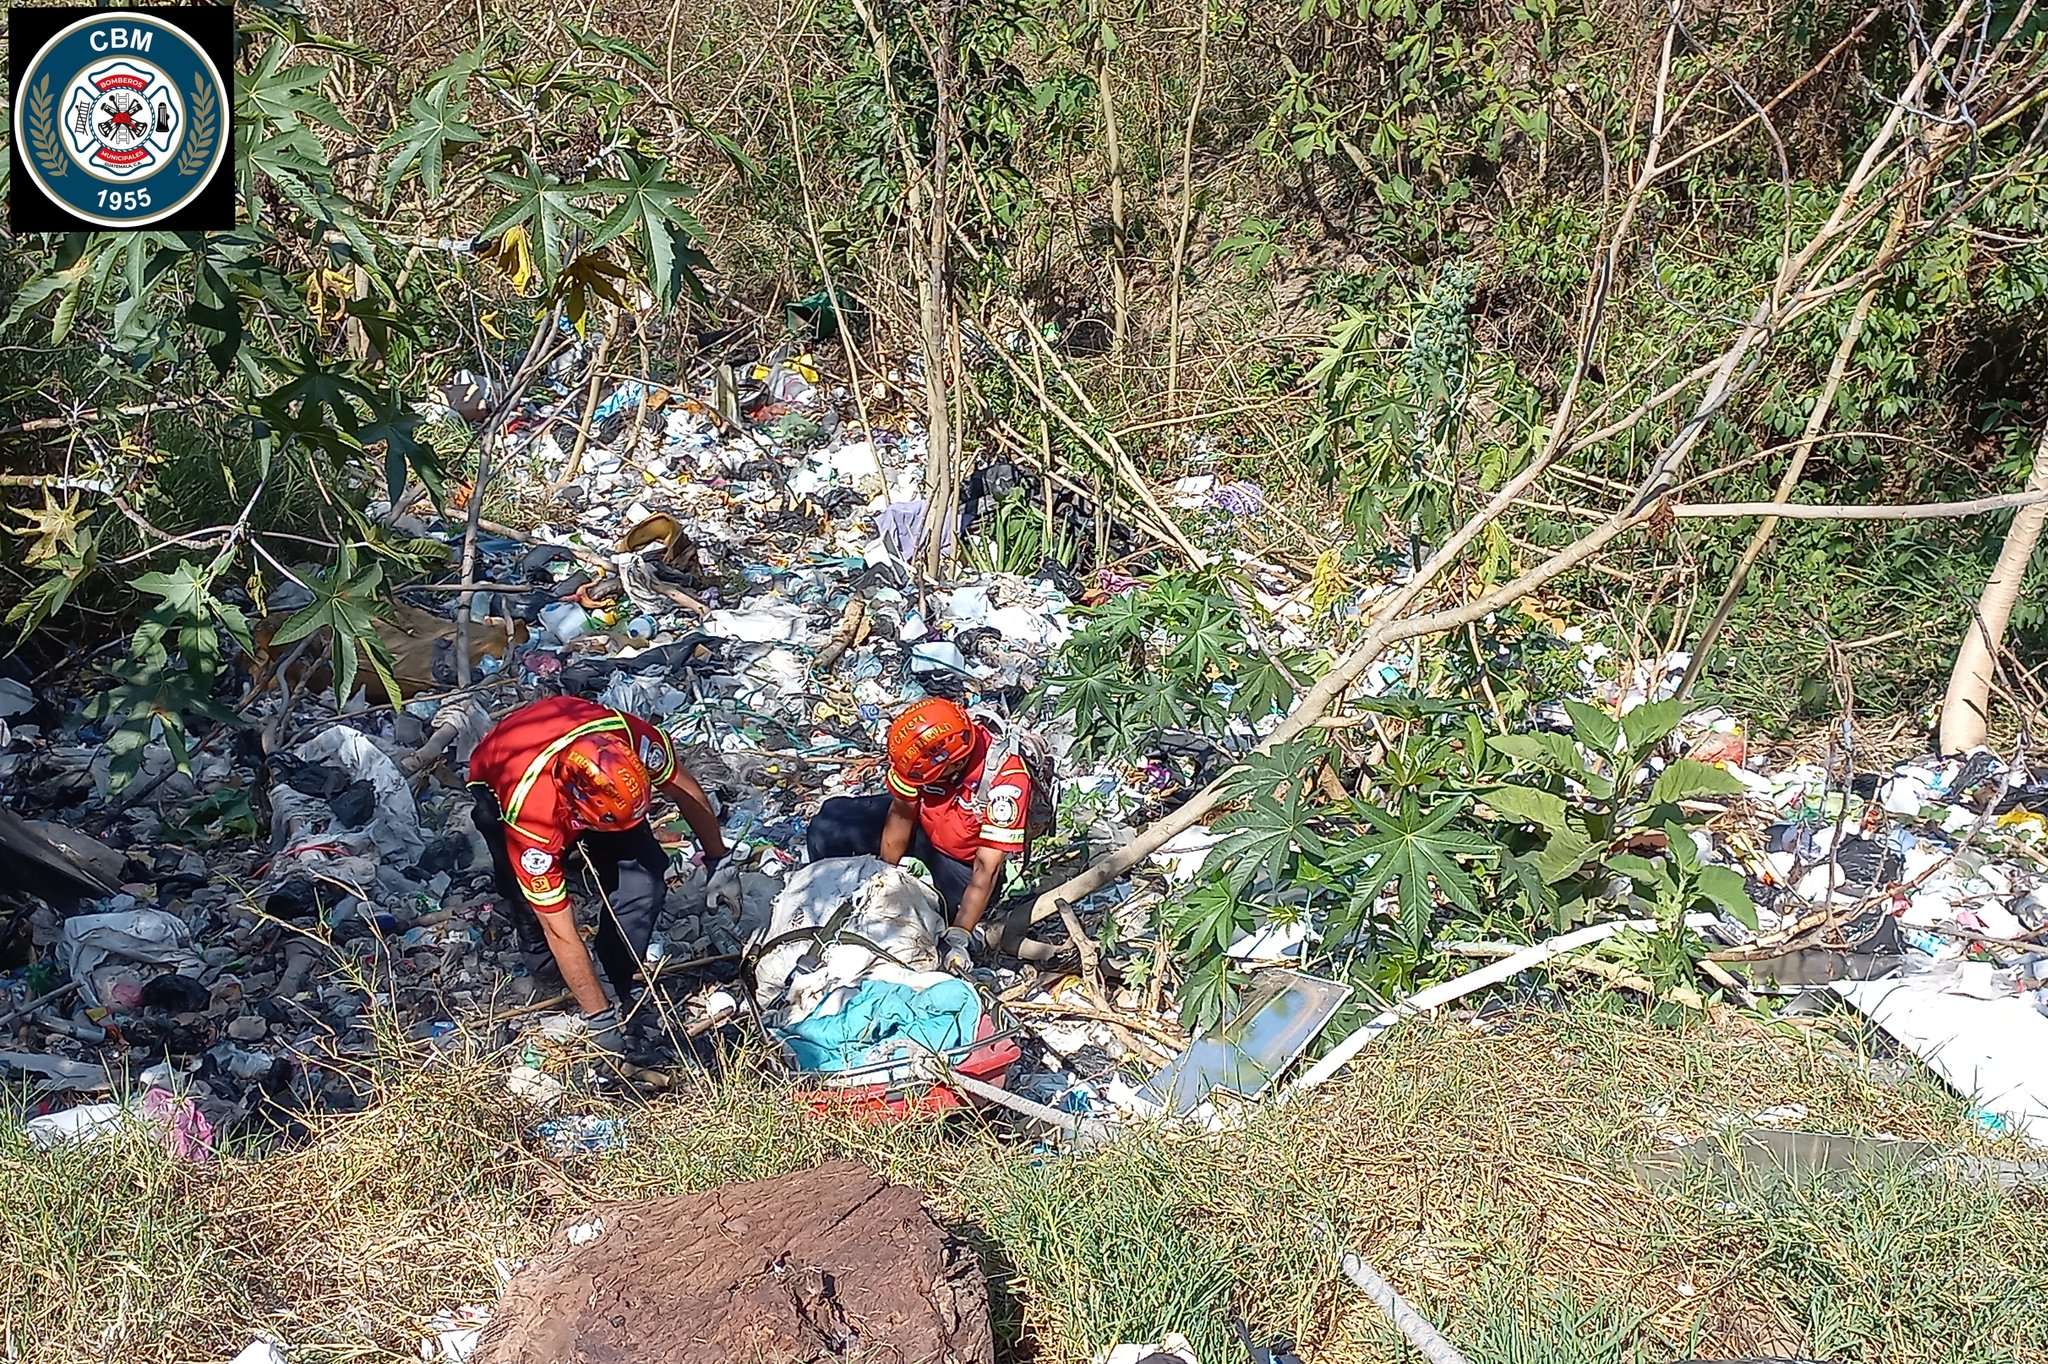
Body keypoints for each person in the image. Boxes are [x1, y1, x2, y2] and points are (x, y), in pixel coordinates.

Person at [467, 696, 738, 1042]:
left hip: (598, 787)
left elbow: (687, 793)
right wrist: (599, 1020)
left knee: (645, 884)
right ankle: (546, 968)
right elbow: (560, 930)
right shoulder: (530, 819)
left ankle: (617, 977)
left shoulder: (635, 738)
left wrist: (719, 860)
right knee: (528, 902)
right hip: (501, 778)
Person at [807, 697, 1032, 973]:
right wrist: (884, 877)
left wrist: (960, 935)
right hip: (925, 827)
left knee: (930, 931)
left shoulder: (1005, 778)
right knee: (826, 828)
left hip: (960, 863)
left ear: (952, 766)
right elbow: (901, 815)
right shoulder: (915, 762)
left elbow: (988, 866)